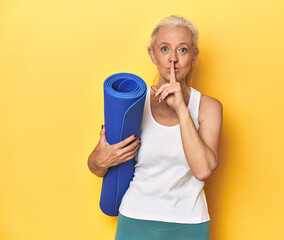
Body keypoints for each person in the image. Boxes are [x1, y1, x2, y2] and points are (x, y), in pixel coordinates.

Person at [88, 15, 222, 240]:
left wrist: (181, 109)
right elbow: (96, 166)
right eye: (164, 49)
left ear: (194, 57)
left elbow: (203, 170)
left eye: (182, 50)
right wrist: (101, 159)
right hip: (135, 220)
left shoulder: (208, 107)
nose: (172, 60)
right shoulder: (133, 103)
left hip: (189, 223)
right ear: (152, 55)